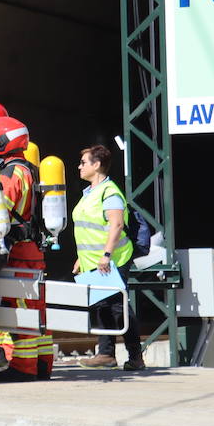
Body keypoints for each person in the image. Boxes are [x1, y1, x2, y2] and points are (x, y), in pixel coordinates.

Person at [0, 115, 54, 382]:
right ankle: (42, 364)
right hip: (33, 250)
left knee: (21, 308)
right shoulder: (29, 169)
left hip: (19, 252)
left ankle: (24, 367)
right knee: (37, 309)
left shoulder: (10, 174)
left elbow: (0, 212)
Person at [72, 144, 145, 371]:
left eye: (84, 162)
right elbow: (87, 229)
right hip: (91, 261)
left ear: (97, 165)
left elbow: (116, 225)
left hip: (112, 260)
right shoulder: (89, 194)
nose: (80, 166)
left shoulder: (109, 192)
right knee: (101, 306)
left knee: (118, 307)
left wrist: (106, 255)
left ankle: (135, 356)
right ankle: (106, 354)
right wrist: (80, 258)